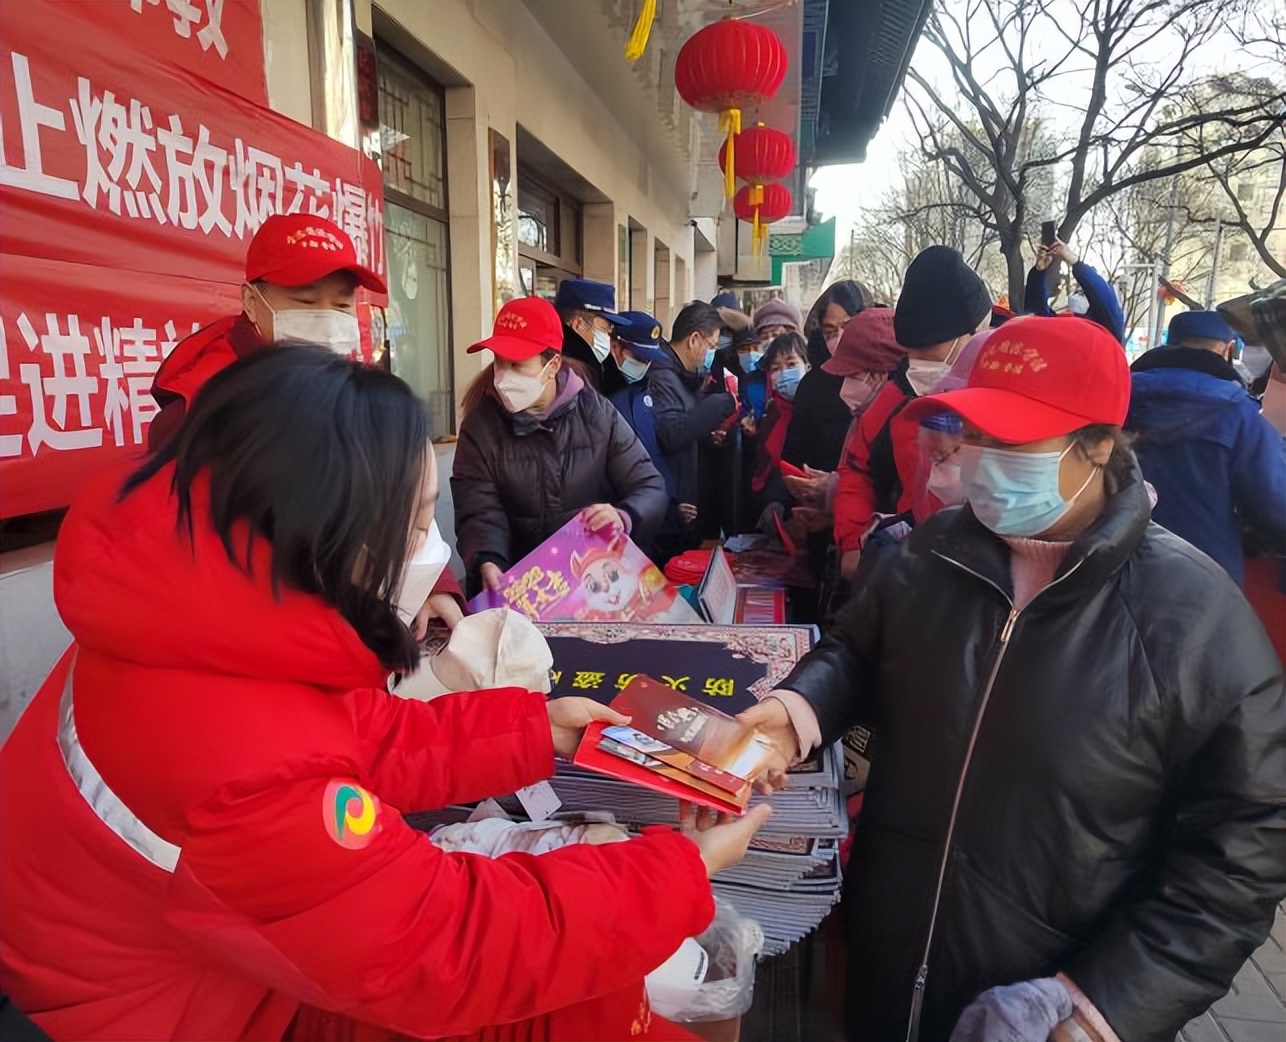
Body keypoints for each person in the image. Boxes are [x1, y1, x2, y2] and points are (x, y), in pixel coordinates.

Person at [0, 345, 775, 1040]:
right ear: (328, 527)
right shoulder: (240, 768)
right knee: (576, 1005)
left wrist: (541, 730)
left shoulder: (197, 610)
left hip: (195, 949)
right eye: (416, 523)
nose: (430, 552)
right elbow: (446, 950)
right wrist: (678, 870)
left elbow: (351, 736)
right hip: (189, 1009)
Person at [740, 316, 1285, 1042]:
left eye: (1013, 440)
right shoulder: (934, 551)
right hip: (886, 959)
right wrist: (795, 712)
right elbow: (858, 651)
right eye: (975, 433)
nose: (981, 459)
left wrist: (1101, 1007)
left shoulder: (1193, 619)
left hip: (1046, 995)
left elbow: (1241, 853)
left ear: (1098, 445)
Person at [148, 212, 464, 629]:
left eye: (342, 305)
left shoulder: (356, 387)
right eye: (305, 302)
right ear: (252, 302)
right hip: (256, 632)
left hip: (357, 619)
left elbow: (402, 500)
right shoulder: (198, 409)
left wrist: (428, 581)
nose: (327, 320)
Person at [452, 297, 668, 598]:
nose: (502, 376)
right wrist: (488, 559)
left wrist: (623, 517)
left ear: (552, 365)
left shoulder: (597, 414)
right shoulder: (480, 426)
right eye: (499, 361)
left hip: (585, 585)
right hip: (513, 587)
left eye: (516, 364)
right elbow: (477, 508)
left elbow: (649, 485)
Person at [832, 246, 990, 580]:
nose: (920, 363)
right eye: (912, 352)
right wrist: (853, 541)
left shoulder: (1002, 397)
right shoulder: (894, 399)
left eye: (930, 349)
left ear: (973, 333)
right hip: (912, 565)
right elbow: (856, 469)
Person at [1127, 309, 1286, 585]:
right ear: (1227, 349)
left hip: (1115, 564)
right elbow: (1274, 507)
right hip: (1204, 575)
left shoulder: (1119, 397)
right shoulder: (1238, 412)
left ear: (1170, 342)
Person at [646, 302, 737, 561]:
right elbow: (671, 433)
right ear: (694, 339)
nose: (712, 354)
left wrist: (707, 432)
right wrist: (720, 404)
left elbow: (685, 421)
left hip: (679, 507)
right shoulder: (662, 377)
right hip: (667, 510)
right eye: (711, 346)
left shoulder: (681, 375)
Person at [782, 280, 875, 473]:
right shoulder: (812, 387)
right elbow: (795, 455)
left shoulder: (890, 375)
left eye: (848, 326)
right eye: (830, 331)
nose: (840, 337)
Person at [750, 333, 811, 528]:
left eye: (791, 364)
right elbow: (768, 468)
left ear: (807, 365)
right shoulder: (772, 414)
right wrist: (773, 503)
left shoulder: (819, 410)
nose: (784, 373)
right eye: (776, 368)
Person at [1024, 238, 1125, 343]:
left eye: (1082, 292)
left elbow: (1104, 298)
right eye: (1078, 291)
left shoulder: (1108, 328)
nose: (1076, 296)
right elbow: (1038, 319)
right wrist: (1038, 272)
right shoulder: (1065, 328)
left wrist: (1075, 262)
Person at [553, 277, 630, 390]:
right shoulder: (571, 372)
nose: (608, 337)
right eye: (604, 329)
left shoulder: (593, 366)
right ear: (578, 325)